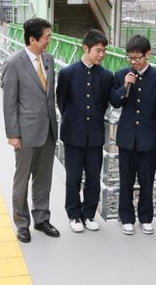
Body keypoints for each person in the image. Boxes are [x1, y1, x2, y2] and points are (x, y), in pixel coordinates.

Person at [1, 18, 59, 243]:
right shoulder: (13, 62)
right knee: (22, 180)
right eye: (46, 37)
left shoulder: (48, 60)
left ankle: (42, 218)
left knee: (44, 179)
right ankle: (22, 223)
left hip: (48, 131)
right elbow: (9, 102)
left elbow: (49, 96)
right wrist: (12, 134)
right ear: (32, 39)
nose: (49, 41)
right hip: (25, 133)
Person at [110, 35, 156, 235]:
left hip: (149, 138)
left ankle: (146, 218)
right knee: (125, 179)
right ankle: (126, 217)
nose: (134, 62)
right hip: (127, 138)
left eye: (138, 58)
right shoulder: (120, 75)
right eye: (130, 58)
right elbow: (116, 102)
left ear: (147, 55)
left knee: (147, 180)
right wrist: (125, 86)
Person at [56, 29, 113, 232]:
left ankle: (88, 214)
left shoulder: (107, 76)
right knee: (73, 178)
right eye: (98, 50)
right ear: (86, 48)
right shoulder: (67, 73)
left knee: (93, 177)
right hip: (73, 134)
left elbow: (107, 102)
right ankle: (74, 215)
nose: (101, 55)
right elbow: (61, 102)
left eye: (103, 51)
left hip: (95, 135)